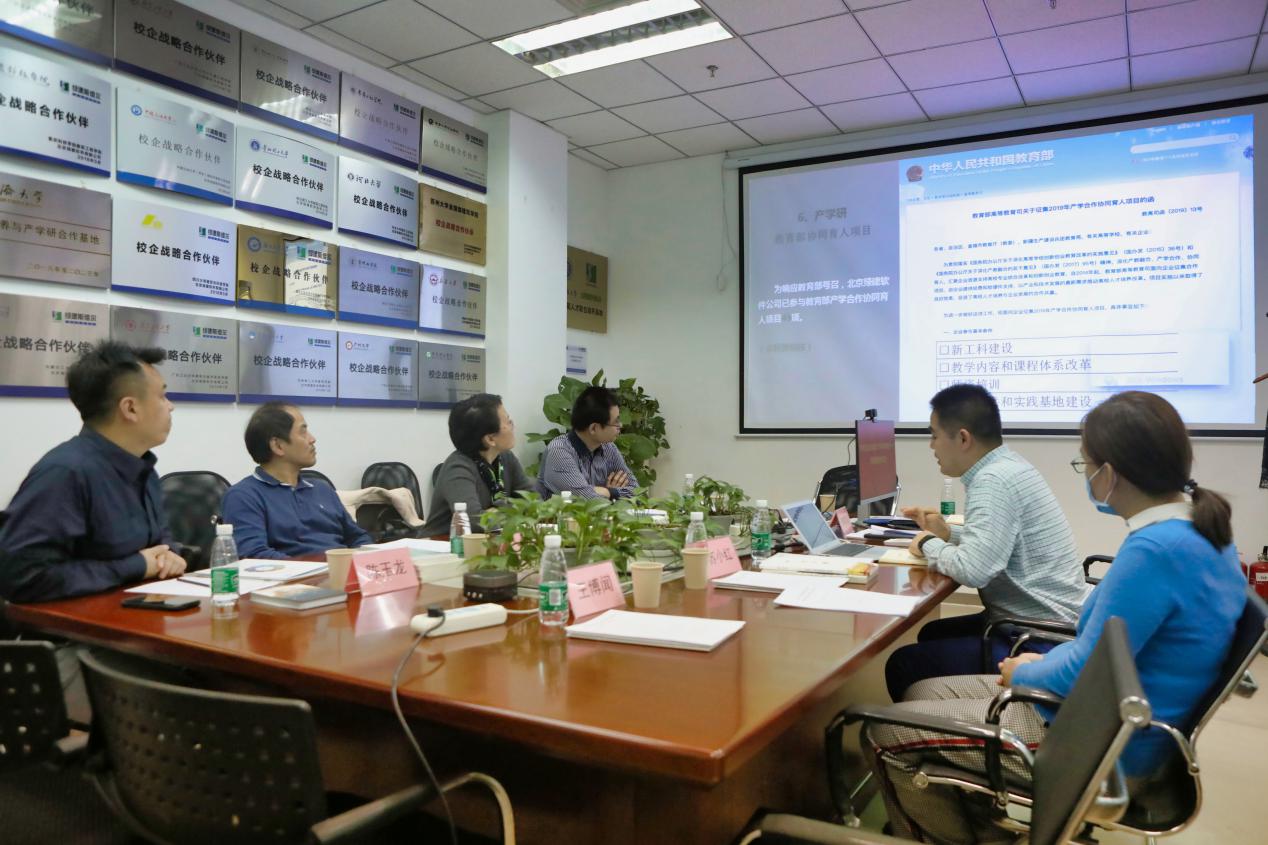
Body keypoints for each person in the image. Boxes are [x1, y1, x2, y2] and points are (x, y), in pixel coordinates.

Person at [862, 391, 1246, 844]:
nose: (1086, 475)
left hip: (1096, 742)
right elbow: (1100, 655)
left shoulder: (1155, 551)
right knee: (920, 688)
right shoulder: (1197, 531)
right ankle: (974, 814)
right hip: (1116, 716)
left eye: (1085, 464)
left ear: (1110, 473)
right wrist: (1041, 666)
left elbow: (1087, 667)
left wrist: (1029, 671)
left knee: (882, 729)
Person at [885, 384, 1088, 701]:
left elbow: (975, 569)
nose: (931, 446)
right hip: (1054, 622)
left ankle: (952, 725)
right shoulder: (1009, 466)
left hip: (1038, 638)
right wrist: (947, 534)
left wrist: (926, 543)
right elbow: (1000, 543)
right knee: (931, 633)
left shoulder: (993, 481)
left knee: (903, 664)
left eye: (934, 436)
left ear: (963, 438)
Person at [0, 341, 186, 602]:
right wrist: (136, 566)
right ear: (130, 408)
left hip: (138, 613)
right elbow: (22, 576)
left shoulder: (142, 467)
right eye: (162, 396)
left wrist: (169, 555)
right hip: (76, 624)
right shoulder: (65, 473)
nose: (170, 406)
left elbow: (159, 541)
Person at [221, 403, 371, 558]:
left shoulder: (322, 489)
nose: (312, 439)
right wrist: (323, 567)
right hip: (298, 573)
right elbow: (254, 554)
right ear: (278, 446)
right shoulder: (244, 496)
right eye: (303, 432)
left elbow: (358, 538)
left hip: (341, 569)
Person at [421, 393, 536, 536]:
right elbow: (473, 523)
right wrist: (513, 509)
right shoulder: (458, 467)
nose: (513, 426)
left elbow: (534, 502)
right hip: (442, 545)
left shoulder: (505, 457)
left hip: (488, 543)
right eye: (508, 422)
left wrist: (496, 511)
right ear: (490, 439)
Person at [537, 386, 637, 500]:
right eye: (616, 422)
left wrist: (607, 492)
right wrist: (611, 493)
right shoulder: (559, 452)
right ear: (593, 428)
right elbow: (588, 500)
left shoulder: (609, 448)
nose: (620, 426)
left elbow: (637, 492)